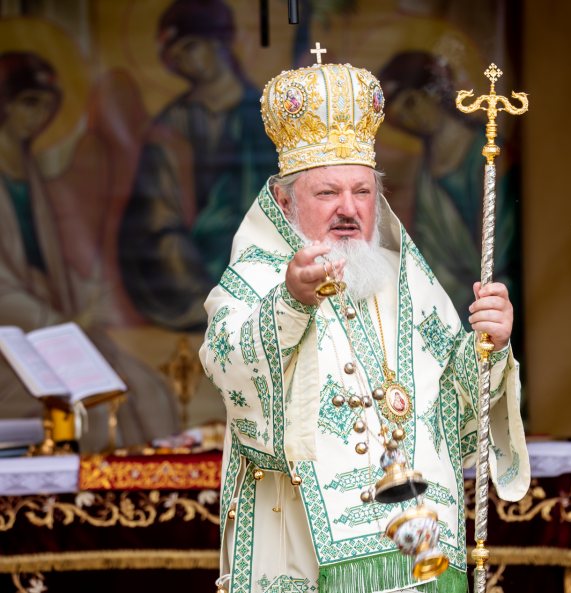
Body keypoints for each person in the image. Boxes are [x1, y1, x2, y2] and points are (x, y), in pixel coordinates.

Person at [200, 57, 529, 592]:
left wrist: (488, 345)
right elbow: (229, 369)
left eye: (362, 192)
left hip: (418, 548)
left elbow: (455, 416)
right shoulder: (258, 277)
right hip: (305, 552)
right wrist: (291, 302)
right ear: (284, 200)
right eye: (327, 193)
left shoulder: (410, 282)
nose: (348, 209)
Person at [0, 51, 179, 451]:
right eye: (29, 103)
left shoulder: (26, 167)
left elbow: (48, 261)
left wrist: (80, 303)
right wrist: (58, 320)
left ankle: (161, 484)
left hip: (46, 327)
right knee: (95, 405)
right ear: (4, 103)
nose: (38, 116)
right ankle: (98, 490)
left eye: (46, 106)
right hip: (13, 344)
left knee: (146, 386)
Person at [119, 0, 278, 330]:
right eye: (174, 56)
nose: (183, 61)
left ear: (219, 41)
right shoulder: (170, 126)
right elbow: (156, 217)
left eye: (190, 47)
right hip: (195, 270)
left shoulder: (269, 115)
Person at [378, 51, 521, 326]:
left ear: (433, 91)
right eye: (399, 118)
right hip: (453, 304)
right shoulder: (425, 172)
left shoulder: (488, 154)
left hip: (495, 300)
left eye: (411, 102)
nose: (410, 118)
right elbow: (431, 251)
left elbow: (504, 245)